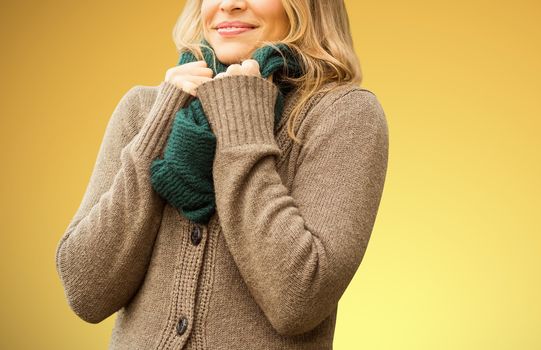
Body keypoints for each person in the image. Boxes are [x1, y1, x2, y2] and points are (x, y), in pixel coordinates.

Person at [54, 0, 389, 348]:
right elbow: (86, 293)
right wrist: (157, 129)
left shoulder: (344, 115)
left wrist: (242, 124)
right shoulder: (145, 108)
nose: (229, 4)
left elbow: (299, 302)